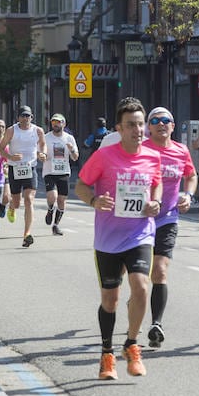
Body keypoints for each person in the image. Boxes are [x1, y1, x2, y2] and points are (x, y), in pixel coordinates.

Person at [75, 97, 162, 379]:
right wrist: (94, 200)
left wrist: (156, 203)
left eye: (140, 125)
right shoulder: (104, 156)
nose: (138, 130)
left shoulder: (153, 156)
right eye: (131, 125)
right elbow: (81, 185)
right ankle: (106, 353)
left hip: (140, 234)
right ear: (119, 129)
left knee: (141, 286)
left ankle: (132, 344)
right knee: (110, 300)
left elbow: (156, 184)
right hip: (108, 239)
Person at [141, 107, 197, 348]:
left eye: (166, 120)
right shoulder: (141, 149)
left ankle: (156, 324)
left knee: (160, 271)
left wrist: (188, 194)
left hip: (168, 218)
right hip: (139, 220)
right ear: (148, 127)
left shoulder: (181, 150)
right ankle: (135, 307)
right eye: (155, 120)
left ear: (173, 126)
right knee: (139, 278)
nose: (161, 124)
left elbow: (191, 176)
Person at [0, 105, 46, 247]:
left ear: (32, 117)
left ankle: (27, 234)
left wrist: (43, 153)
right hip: (15, 168)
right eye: (23, 116)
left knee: (29, 200)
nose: (25, 119)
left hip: (30, 168)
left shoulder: (38, 131)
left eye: (28, 116)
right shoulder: (11, 131)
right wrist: (10, 156)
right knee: (17, 202)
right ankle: (11, 207)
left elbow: (42, 145)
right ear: (18, 117)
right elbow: (0, 149)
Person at [42, 113, 79, 236]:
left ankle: (56, 225)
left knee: (62, 200)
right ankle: (50, 209)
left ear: (63, 124)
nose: (55, 124)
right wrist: (42, 155)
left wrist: (72, 149)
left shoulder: (69, 138)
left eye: (58, 122)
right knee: (52, 196)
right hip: (50, 170)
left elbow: (75, 157)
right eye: (53, 122)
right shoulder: (46, 138)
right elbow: (40, 153)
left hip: (64, 171)